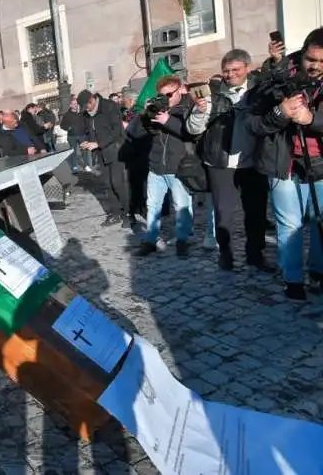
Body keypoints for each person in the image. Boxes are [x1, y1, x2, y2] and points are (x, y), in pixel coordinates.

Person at [247, 28, 323, 301]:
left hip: (320, 165)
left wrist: (310, 119)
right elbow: (253, 122)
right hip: (284, 164)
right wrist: (281, 113)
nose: (316, 67)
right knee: (289, 224)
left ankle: (318, 271)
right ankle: (292, 279)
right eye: (312, 59)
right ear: (302, 53)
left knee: (319, 222)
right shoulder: (276, 78)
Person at [186, 49, 270, 271]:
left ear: (247, 68)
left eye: (236, 70)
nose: (230, 74)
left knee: (256, 213)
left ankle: (255, 254)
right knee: (223, 214)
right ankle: (226, 254)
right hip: (220, 162)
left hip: (253, 161)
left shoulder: (260, 91)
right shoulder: (211, 93)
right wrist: (198, 111)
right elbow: (193, 129)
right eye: (226, 71)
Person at [128, 77, 195, 257]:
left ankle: (182, 241)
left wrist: (168, 121)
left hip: (178, 167)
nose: (166, 98)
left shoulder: (188, 108)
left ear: (180, 90)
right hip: (156, 167)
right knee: (153, 206)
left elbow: (190, 133)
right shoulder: (158, 109)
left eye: (169, 94)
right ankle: (150, 240)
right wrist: (145, 115)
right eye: (162, 95)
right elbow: (134, 132)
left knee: (181, 206)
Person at [76, 89, 130, 227]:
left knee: (117, 183)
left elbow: (117, 131)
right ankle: (115, 213)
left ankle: (128, 213)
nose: (86, 109)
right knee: (107, 184)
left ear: (92, 100)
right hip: (100, 153)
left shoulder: (109, 107)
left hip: (115, 150)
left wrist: (98, 143)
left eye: (86, 106)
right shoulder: (87, 114)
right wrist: (85, 142)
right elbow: (85, 131)